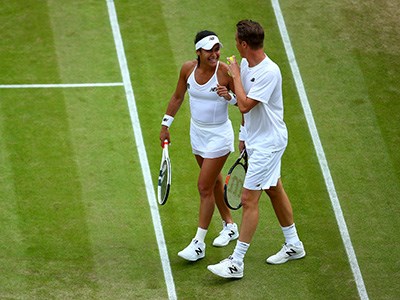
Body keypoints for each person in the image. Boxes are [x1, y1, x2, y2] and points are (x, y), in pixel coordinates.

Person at [207, 20, 306, 278]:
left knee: (249, 199)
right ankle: (294, 244)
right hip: (256, 140)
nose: (234, 46)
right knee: (274, 189)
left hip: (268, 144)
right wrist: (241, 128)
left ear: (243, 44)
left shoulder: (268, 72)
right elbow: (240, 104)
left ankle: (235, 263)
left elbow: (246, 105)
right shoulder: (246, 65)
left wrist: (235, 79)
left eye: (236, 41)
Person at [159, 30, 239, 262]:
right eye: (210, 50)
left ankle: (198, 244)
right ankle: (230, 225)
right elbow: (177, 97)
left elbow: (244, 101)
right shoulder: (187, 69)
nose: (215, 54)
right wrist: (166, 125)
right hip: (198, 134)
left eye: (217, 49)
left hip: (219, 136)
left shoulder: (225, 71)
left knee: (204, 187)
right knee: (213, 182)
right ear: (198, 52)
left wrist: (230, 97)